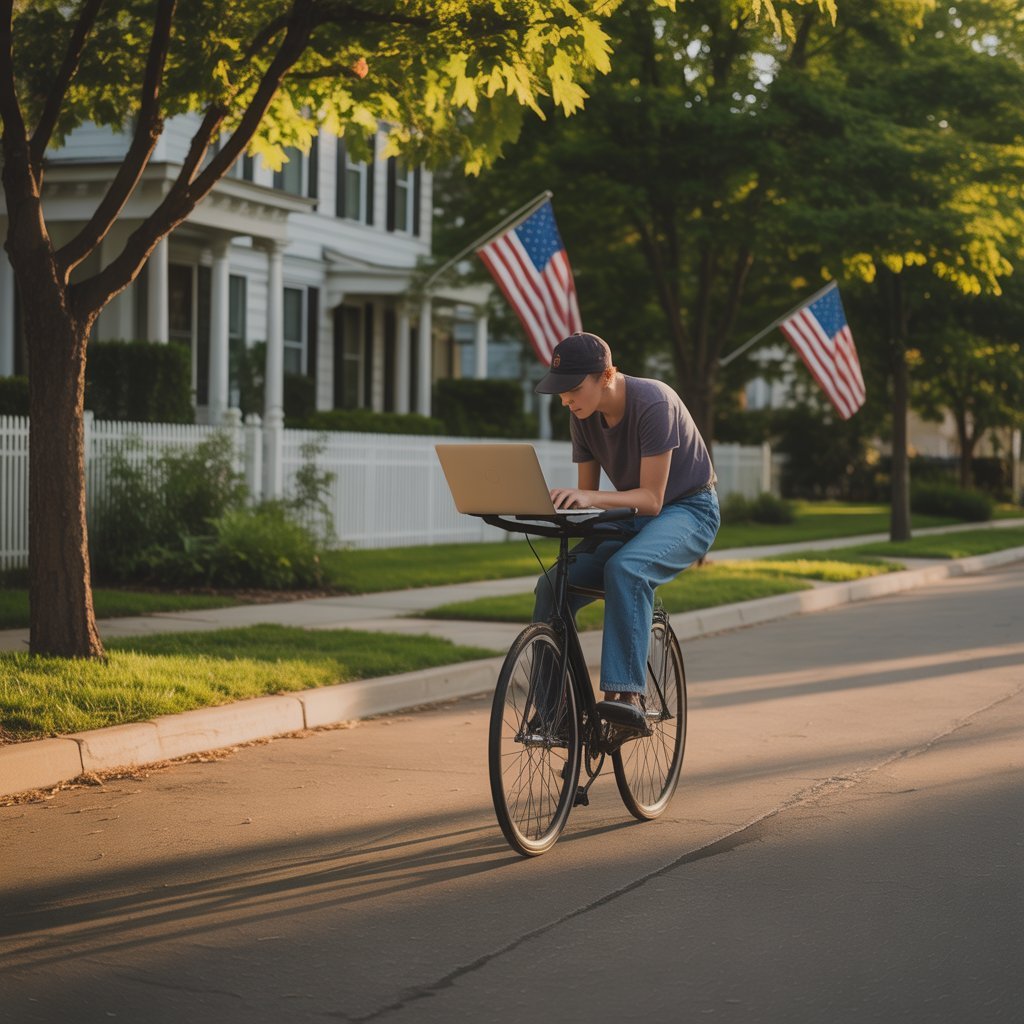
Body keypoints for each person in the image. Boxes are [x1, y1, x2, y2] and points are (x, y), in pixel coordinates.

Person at [532, 332, 720, 733]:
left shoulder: (654, 402)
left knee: (626, 569)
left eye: (573, 389)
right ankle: (553, 715)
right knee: (551, 588)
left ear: (605, 376)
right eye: (560, 391)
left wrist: (588, 496)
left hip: (689, 509)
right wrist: (564, 506)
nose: (566, 398)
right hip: (632, 514)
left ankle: (625, 697)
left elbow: (653, 499)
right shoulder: (582, 416)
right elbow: (592, 499)